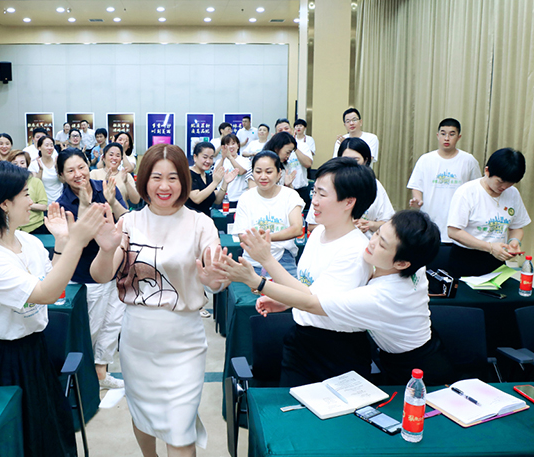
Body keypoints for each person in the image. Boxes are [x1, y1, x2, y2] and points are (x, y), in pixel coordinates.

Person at [0, 160, 108, 457]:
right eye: (25, 194)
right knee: (10, 439)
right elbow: (45, 293)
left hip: (34, 350)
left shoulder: (28, 241)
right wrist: (77, 242)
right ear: (4, 204)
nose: (32, 202)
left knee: (46, 435)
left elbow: (51, 279)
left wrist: (62, 242)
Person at [89, 143, 227, 455]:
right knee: (143, 414)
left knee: (180, 429)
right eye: (156, 177)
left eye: (173, 178)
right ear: (144, 181)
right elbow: (102, 274)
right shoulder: (130, 222)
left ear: (184, 182)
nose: (164, 186)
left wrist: (213, 280)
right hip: (137, 340)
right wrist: (106, 249)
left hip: (184, 341)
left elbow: (216, 279)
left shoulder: (200, 224)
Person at [219, 210, 453, 385]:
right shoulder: (416, 266)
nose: (371, 243)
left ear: (402, 263)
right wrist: (286, 300)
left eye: (382, 244)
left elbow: (312, 302)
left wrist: (256, 281)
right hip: (416, 349)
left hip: (416, 370)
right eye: (376, 233)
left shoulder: (381, 297)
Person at [262, 157, 377, 387]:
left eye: (322, 195)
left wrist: (265, 260)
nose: (313, 201)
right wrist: (286, 302)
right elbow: (310, 287)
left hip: (337, 352)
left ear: (348, 202)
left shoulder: (355, 250)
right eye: (314, 192)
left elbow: (315, 302)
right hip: (301, 341)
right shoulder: (317, 234)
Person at [56, 148, 129, 390]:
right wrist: (85, 208)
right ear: (61, 175)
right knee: (92, 329)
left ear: (89, 165)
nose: (78, 174)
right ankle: (83, 379)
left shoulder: (104, 188)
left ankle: (101, 374)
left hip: (115, 270)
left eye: (81, 167)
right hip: (86, 276)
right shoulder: (63, 205)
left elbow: (126, 219)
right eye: (70, 171)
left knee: (113, 324)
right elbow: (78, 242)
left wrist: (112, 201)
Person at [446, 148, 530, 277]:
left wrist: (514, 241)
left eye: (510, 183)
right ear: (487, 171)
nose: (504, 187)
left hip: (497, 259)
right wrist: (489, 247)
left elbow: (517, 227)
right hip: (466, 258)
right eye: (500, 182)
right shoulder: (467, 192)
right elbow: (453, 231)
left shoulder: (513, 193)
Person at [407, 118, 481, 244]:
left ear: (459, 137)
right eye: (443, 134)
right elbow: (416, 186)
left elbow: (477, 189)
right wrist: (418, 200)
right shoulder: (425, 160)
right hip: (430, 223)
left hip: (458, 225)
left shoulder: (469, 161)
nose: (446, 138)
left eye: (452, 134)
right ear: (437, 135)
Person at [233, 151, 304, 277]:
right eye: (258, 171)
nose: (263, 176)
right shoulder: (246, 198)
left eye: (269, 172)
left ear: (279, 173)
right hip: (253, 259)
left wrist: (267, 237)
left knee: (292, 289)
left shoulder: (290, 195)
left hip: (283, 258)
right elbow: (242, 236)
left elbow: (297, 229)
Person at [307, 138, 394, 238]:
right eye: (345, 160)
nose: (350, 165)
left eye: (355, 160)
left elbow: (389, 223)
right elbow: (312, 225)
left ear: (366, 160)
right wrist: (345, 227)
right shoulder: (328, 184)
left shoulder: (374, 185)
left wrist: (370, 224)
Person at [185, 142, 237, 216]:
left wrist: (225, 183)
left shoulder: (208, 176)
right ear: (195, 157)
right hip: (191, 219)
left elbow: (217, 200)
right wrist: (215, 182)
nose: (208, 161)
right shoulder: (188, 175)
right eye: (205, 157)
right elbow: (197, 199)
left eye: (211, 158)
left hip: (206, 219)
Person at [7, 149, 49, 234]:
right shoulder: (6, 183)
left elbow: (44, 206)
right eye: (15, 163)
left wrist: (25, 204)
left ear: (27, 164)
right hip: (13, 228)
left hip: (35, 227)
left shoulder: (36, 182)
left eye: (22, 163)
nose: (19, 166)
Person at [29, 135, 63, 204]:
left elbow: (63, 181)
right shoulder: (34, 164)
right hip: (43, 202)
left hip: (59, 200)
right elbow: (35, 184)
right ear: (39, 148)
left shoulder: (58, 162)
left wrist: (57, 169)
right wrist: (40, 170)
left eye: (51, 145)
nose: (50, 148)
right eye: (47, 145)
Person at [221, 133, 250, 207]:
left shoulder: (245, 160)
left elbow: (241, 172)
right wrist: (223, 158)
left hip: (240, 199)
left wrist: (230, 157)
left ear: (238, 145)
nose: (231, 146)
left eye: (233, 143)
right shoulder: (220, 161)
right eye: (227, 144)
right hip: (224, 199)